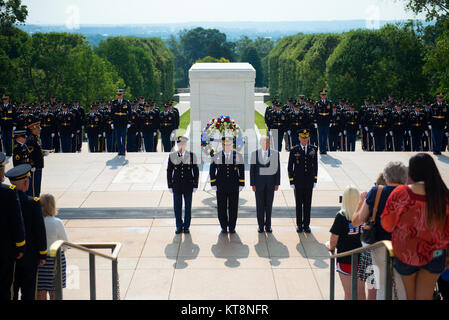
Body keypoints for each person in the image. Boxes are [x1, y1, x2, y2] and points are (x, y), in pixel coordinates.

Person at [381, 153, 449, 300]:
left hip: (406, 252)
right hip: (435, 253)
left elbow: (387, 224)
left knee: (409, 296)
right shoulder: (443, 195)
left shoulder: (401, 193)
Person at [352, 161, 408, 300]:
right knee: (402, 289)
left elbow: (358, 219)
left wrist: (361, 202)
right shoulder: (410, 193)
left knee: (382, 288)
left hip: (380, 247)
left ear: (387, 176)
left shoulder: (376, 191)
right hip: (406, 248)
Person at [5, 164, 47, 300]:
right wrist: (42, 254)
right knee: (29, 292)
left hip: (10, 255)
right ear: (25, 182)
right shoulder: (33, 203)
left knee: (11, 291)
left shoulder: (5, 200)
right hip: (30, 257)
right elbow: (39, 231)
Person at [326, 186, 366, 300]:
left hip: (345, 260)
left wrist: (330, 246)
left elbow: (334, 238)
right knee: (361, 293)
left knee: (348, 293)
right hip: (362, 259)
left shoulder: (341, 216)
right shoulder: (363, 215)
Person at [0, 152, 26, 300]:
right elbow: (17, 222)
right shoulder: (8, 192)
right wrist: (20, 246)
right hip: (5, 250)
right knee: (5, 288)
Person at [210, 136, 245, 234]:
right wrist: (213, 182)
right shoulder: (217, 156)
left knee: (233, 207)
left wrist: (241, 183)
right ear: (222, 145)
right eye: (226, 145)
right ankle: (224, 226)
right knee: (221, 207)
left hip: (234, 186)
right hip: (221, 186)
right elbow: (212, 169)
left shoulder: (238, 155)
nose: (228, 147)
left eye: (229, 145)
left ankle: (232, 226)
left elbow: (241, 169)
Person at [36, 194, 68, 300]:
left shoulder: (37, 221)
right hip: (55, 260)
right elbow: (65, 243)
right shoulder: (57, 222)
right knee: (55, 292)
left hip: (40, 260)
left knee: (40, 292)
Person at [167, 137, 199, 234]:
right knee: (177, 207)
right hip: (176, 185)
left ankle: (186, 226)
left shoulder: (192, 156)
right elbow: (169, 171)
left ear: (185, 145)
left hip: (188, 185)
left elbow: (196, 171)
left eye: (183, 144)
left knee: (188, 207)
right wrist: (169, 185)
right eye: (179, 144)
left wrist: (195, 184)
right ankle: (178, 226)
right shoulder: (172, 156)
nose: (181, 146)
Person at [288, 129, 318, 233]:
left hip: (309, 181)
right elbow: (289, 167)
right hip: (298, 181)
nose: (304, 140)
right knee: (298, 203)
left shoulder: (313, 149)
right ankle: (299, 224)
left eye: (306, 138)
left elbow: (315, 165)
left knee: (307, 203)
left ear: (308, 138)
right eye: (302, 138)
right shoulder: (294, 150)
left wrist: (315, 179)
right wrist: (291, 181)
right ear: (299, 138)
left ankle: (306, 225)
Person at [250, 136, 280, 233]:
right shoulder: (254, 154)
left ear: (269, 143)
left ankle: (268, 226)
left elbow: (277, 169)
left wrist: (277, 183)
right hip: (258, 185)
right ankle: (260, 226)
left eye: (267, 142)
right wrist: (253, 184)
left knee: (269, 206)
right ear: (260, 143)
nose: (265, 144)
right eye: (263, 142)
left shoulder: (275, 154)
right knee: (260, 206)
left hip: (270, 184)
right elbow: (252, 170)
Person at [26, 122, 45, 197]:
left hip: (38, 166)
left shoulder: (36, 138)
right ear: (33, 130)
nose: (39, 130)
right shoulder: (31, 140)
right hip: (34, 167)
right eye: (37, 129)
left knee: (37, 186)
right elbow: (30, 155)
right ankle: (33, 201)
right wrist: (32, 165)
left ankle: (36, 199)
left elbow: (36, 151)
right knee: (33, 187)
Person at [111, 89, 131, 156]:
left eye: (120, 94)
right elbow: (112, 113)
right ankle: (119, 150)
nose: (119, 96)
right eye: (118, 95)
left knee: (124, 137)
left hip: (124, 122)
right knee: (118, 138)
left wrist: (129, 122)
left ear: (123, 94)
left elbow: (130, 113)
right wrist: (112, 122)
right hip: (116, 122)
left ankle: (123, 150)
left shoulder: (126, 102)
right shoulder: (114, 102)